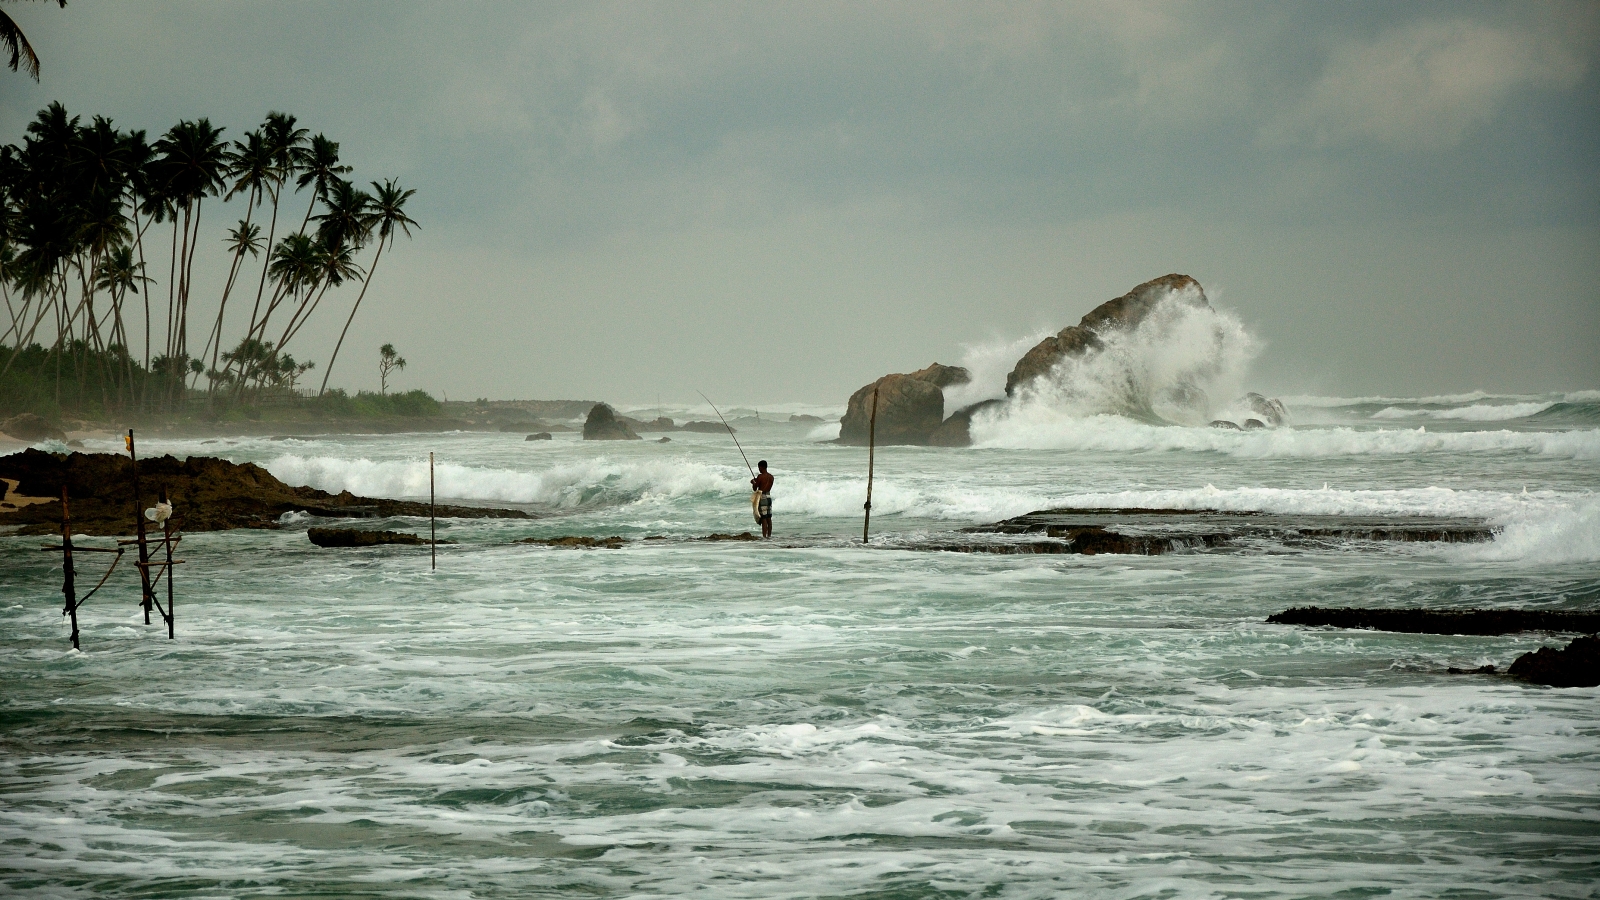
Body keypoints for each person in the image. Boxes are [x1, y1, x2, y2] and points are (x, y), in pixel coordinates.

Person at [751, 460, 774, 538]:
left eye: (759, 467)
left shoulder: (760, 476)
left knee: (763, 518)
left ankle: (764, 537)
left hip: (762, 497)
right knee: (769, 518)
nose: (759, 469)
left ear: (762, 467)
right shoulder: (771, 477)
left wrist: (753, 482)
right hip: (769, 497)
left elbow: (755, 488)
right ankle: (769, 536)